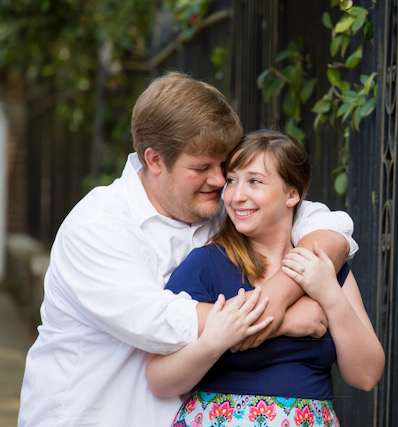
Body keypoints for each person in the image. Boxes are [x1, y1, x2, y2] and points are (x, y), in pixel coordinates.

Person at [18, 73, 358, 427]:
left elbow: (329, 225)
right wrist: (286, 319)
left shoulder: (217, 202)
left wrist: (279, 293)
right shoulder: (97, 227)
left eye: (223, 168)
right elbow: (162, 321)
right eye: (201, 168)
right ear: (154, 160)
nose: (218, 181)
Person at [145, 130, 385, 426]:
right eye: (231, 180)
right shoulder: (206, 265)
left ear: (292, 194)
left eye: (255, 181)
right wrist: (215, 341)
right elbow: (159, 380)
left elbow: (366, 376)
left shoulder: (323, 266)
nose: (236, 195)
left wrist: (330, 296)